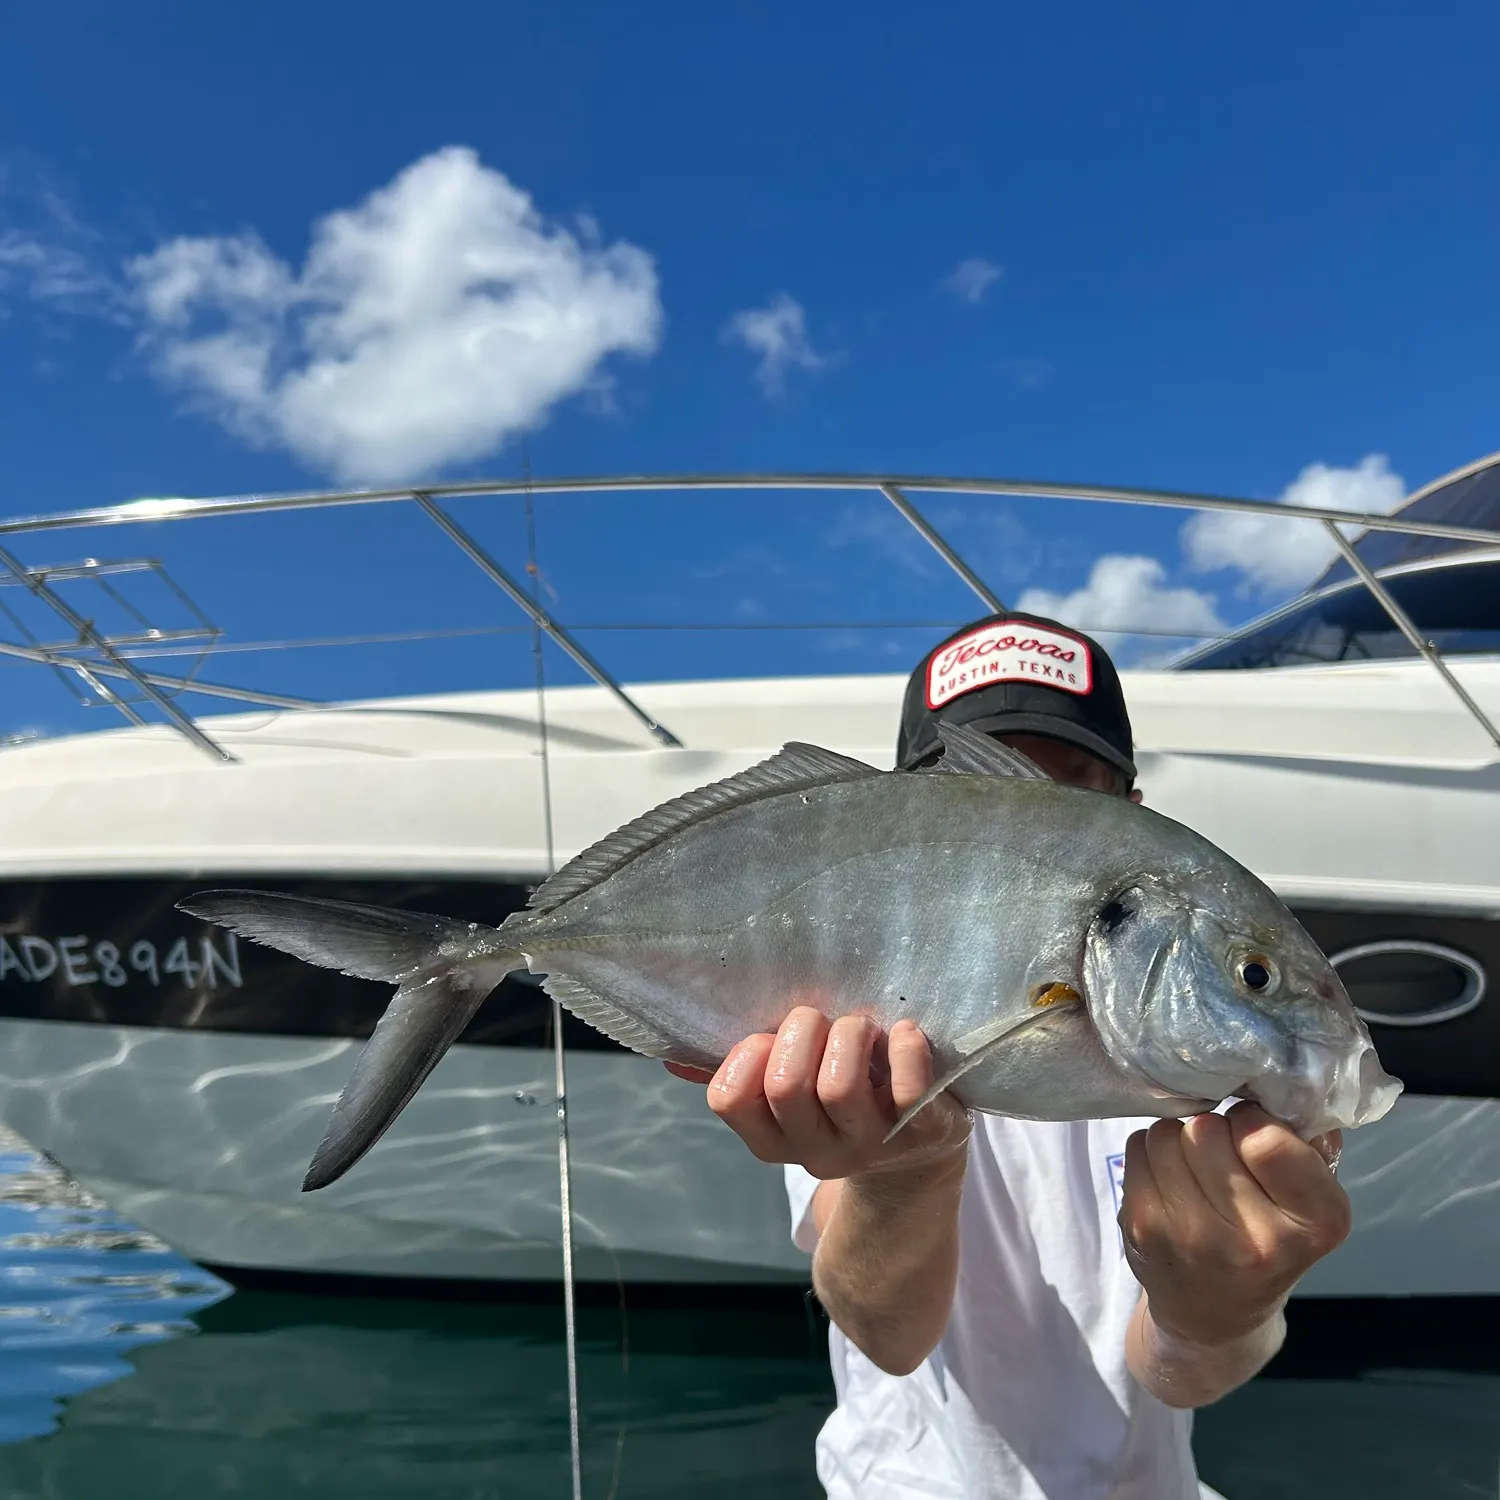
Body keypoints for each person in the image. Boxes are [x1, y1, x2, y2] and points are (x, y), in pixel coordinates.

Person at [667, 611, 1351, 1500]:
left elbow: (1179, 1373)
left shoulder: (1207, 1035)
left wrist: (1223, 1309)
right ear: (889, 826)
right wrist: (899, 1174)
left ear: (1134, 825)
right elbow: (886, 1333)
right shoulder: (852, 1009)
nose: (1021, 833)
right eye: (971, 797)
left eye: (1068, 795)